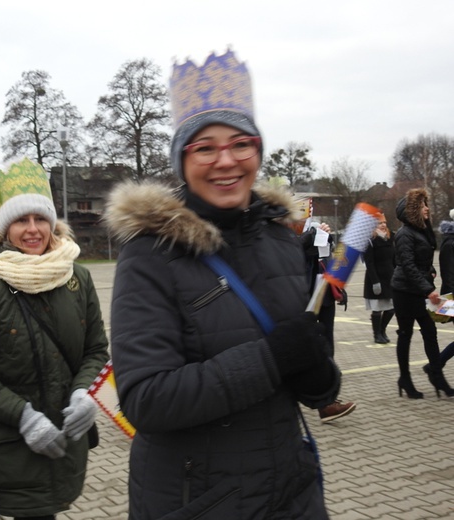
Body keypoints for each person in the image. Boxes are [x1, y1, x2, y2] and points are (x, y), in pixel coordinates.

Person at [104, 50, 339, 519]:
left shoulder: (280, 238)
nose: (225, 161)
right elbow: (145, 400)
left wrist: (320, 379)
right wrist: (272, 359)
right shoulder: (150, 254)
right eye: (205, 147)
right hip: (199, 499)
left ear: (258, 150)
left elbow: (309, 363)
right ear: (182, 160)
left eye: (241, 144)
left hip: (291, 492)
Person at [0, 158, 109, 520]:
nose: (33, 229)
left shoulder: (77, 279)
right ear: (5, 229)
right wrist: (23, 417)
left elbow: (96, 350)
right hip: (13, 444)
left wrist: (85, 391)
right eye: (21, 220)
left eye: (40, 219)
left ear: (53, 224)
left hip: (67, 439)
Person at [391, 188, 453, 398]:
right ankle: (405, 379)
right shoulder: (404, 234)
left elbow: (422, 260)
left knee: (430, 333)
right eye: (423, 205)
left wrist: (431, 271)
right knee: (405, 335)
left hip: (419, 290)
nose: (427, 209)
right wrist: (428, 289)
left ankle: (436, 375)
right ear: (413, 211)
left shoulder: (421, 231)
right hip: (404, 292)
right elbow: (407, 266)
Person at [301, 221, 356, 423]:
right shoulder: (280, 226)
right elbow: (291, 256)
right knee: (307, 348)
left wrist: (324, 238)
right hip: (302, 296)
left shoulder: (311, 226)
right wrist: (307, 238)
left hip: (324, 294)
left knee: (327, 346)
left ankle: (328, 402)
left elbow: (327, 259)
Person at [427, 210, 454, 370]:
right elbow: (448, 274)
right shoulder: (450, 243)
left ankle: (435, 365)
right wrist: (450, 299)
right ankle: (435, 365)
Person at [363, 214, 395, 344]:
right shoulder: (370, 240)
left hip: (390, 277)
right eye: (379, 223)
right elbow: (369, 263)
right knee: (377, 308)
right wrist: (375, 282)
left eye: (384, 222)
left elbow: (395, 259)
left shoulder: (391, 237)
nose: (383, 225)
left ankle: (382, 330)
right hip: (375, 278)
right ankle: (377, 335)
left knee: (391, 308)